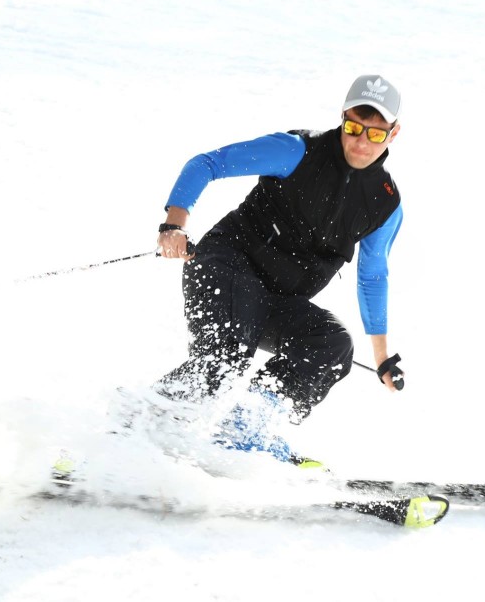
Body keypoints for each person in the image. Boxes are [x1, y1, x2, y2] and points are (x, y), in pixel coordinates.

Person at [150, 75, 407, 462]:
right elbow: (208, 164)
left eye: (375, 133)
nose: (360, 142)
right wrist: (174, 224)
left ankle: (244, 429)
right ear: (342, 118)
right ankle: (130, 426)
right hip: (226, 266)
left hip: (279, 300)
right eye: (354, 127)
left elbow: (372, 276)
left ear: (393, 133)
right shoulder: (296, 151)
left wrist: (383, 357)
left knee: (331, 347)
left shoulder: (384, 204)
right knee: (225, 356)